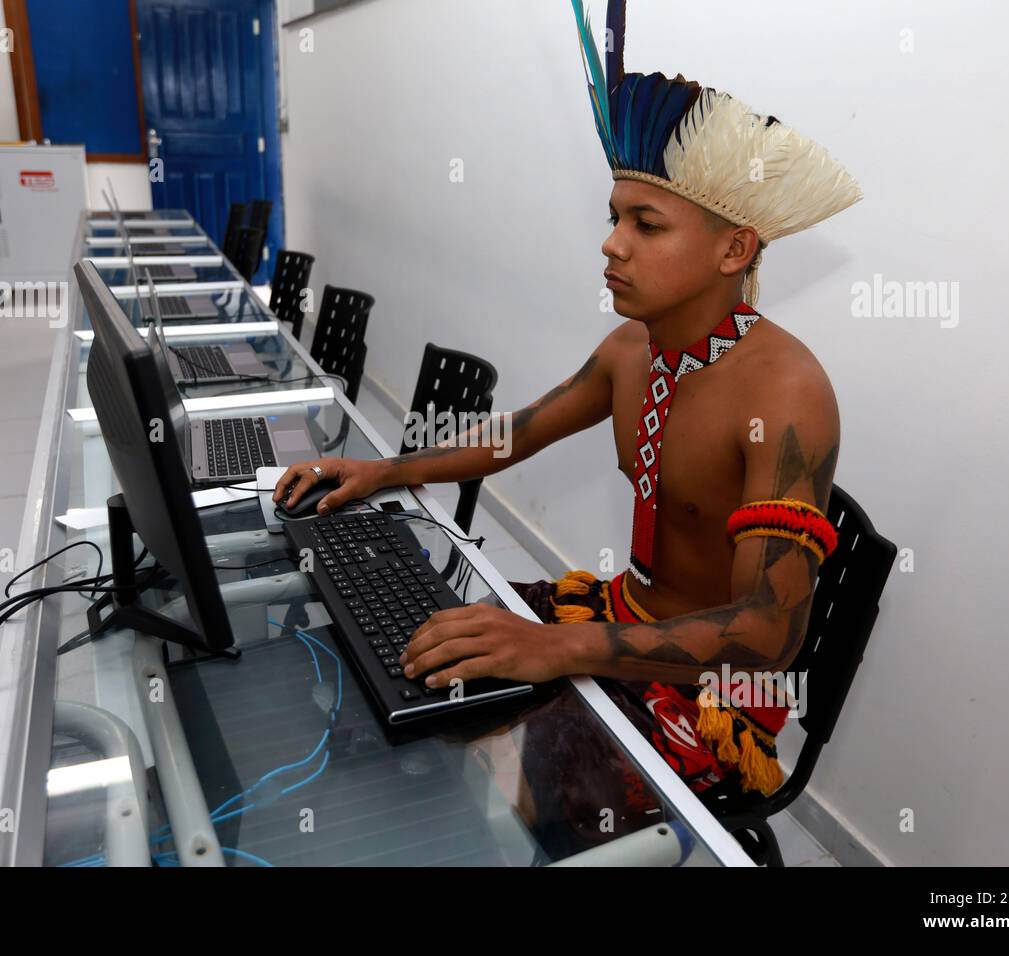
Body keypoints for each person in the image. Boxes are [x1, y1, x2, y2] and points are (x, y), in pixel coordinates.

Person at [273, 0, 861, 800]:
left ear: (734, 248)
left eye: (645, 224)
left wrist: (559, 649)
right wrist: (385, 472)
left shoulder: (788, 390)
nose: (611, 244)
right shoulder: (631, 346)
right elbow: (516, 434)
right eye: (614, 217)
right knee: (422, 648)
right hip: (618, 609)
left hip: (716, 687)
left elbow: (769, 632)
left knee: (554, 789)